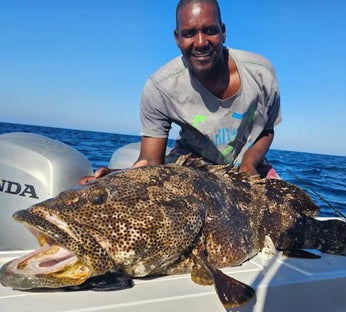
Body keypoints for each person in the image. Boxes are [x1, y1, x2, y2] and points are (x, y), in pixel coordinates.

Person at [79, 0, 281, 184]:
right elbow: (150, 160)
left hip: (248, 167)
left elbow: (266, 129)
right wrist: (115, 179)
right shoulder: (159, 88)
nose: (201, 42)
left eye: (210, 30)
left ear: (223, 31)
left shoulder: (260, 72)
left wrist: (249, 164)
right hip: (190, 168)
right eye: (189, 33)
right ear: (177, 38)